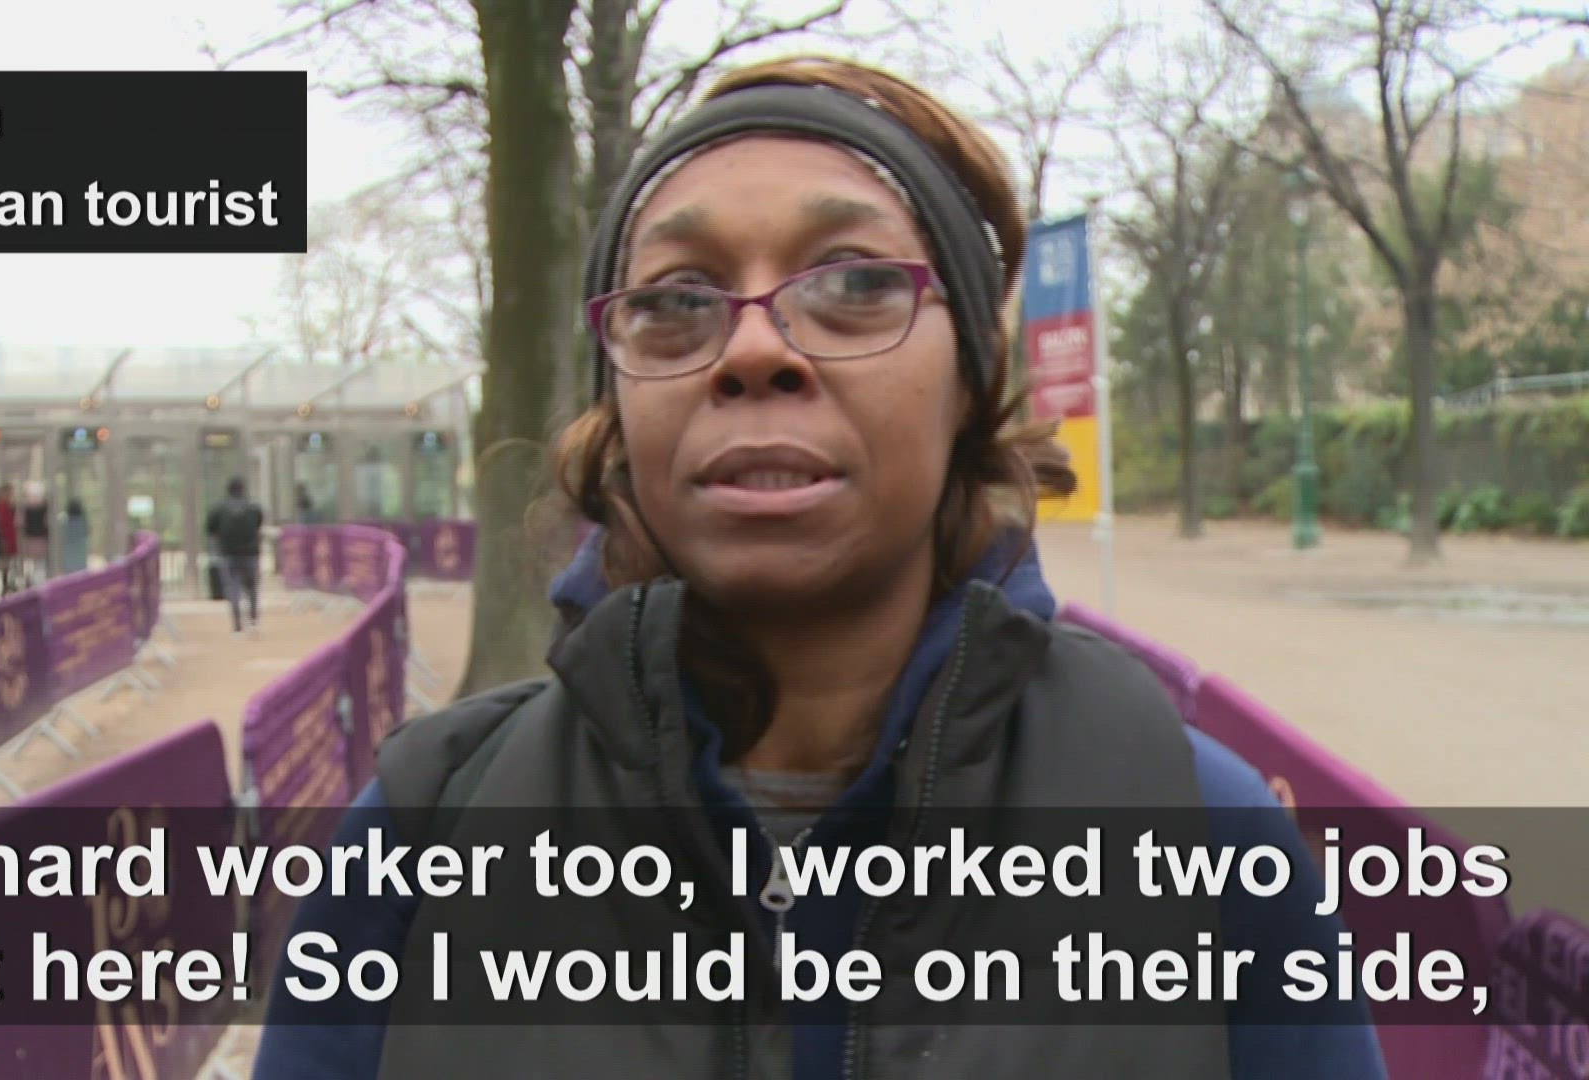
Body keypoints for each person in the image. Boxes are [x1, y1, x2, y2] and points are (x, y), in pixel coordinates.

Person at [253, 57, 1386, 1079]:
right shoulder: (420, 837)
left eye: (853, 283)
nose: (754, 348)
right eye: (676, 301)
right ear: (619, 402)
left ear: (969, 380)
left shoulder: (1201, 831)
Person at [206, 476, 264, 633]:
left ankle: (237, 624)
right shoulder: (253, 507)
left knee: (233, 588)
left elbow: (210, 529)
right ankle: (253, 619)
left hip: (228, 553)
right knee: (252, 587)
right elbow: (258, 524)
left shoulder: (219, 508)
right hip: (250, 552)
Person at [0, 483, 19, 595]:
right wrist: (3, 539)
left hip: (10, 536)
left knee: (8, 561)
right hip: (4, 538)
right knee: (4, 562)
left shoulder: (8, 505)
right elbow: (1, 524)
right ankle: (4, 584)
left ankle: (8, 583)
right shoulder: (0, 507)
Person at [59, 498, 89, 573]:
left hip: (68, 554)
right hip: (80, 554)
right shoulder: (83, 521)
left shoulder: (64, 522)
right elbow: (87, 532)